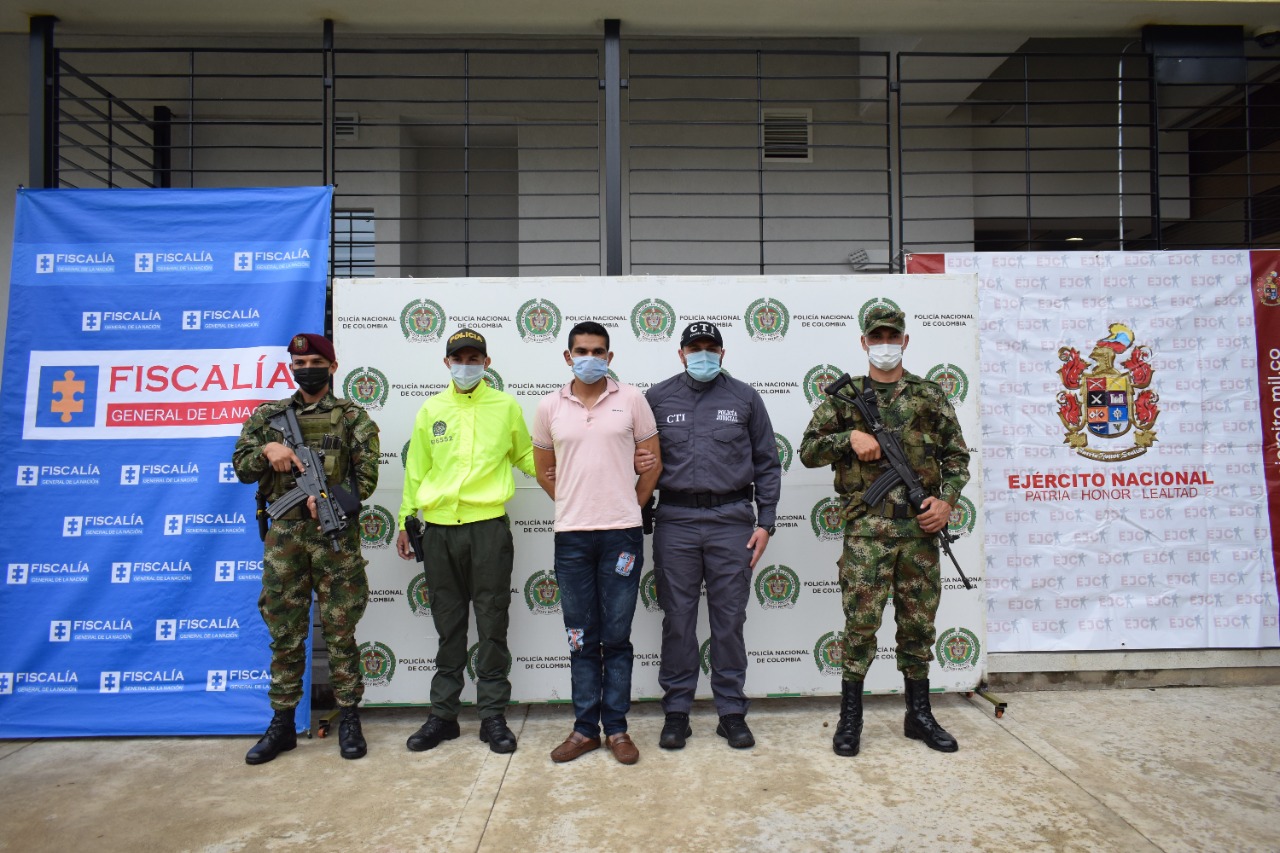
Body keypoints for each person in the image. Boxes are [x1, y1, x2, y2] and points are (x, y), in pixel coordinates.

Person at [799, 304, 970, 756]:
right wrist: (847, 440)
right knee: (860, 627)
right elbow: (808, 451)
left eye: (892, 336)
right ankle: (850, 719)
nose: (885, 345)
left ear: (905, 341)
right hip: (866, 534)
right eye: (876, 338)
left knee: (917, 629)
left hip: (919, 532)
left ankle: (919, 715)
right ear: (863, 343)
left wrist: (946, 500)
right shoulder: (845, 397)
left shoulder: (929, 395)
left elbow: (957, 458)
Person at [233, 333, 380, 764]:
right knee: (285, 632)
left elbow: (366, 480)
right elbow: (241, 468)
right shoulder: (268, 416)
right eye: (299, 362)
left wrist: (331, 499)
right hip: (285, 538)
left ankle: (349, 716)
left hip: (335, 538)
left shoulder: (353, 416)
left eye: (316, 360)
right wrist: (266, 449)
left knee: (340, 631)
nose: (306, 367)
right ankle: (282, 722)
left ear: (332, 367)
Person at [396, 328, 535, 755]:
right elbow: (416, 468)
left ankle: (492, 714)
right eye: (459, 358)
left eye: (475, 358)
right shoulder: (431, 409)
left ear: (486, 364)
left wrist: (569, 470)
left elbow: (527, 457)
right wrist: (406, 519)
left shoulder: (505, 406)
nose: (467, 365)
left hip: (488, 527)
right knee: (448, 624)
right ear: (447, 363)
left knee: (493, 622)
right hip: (438, 530)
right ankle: (443, 716)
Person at [645, 321, 781, 750]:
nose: (702, 353)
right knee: (678, 620)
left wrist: (766, 522)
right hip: (676, 520)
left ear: (723, 353)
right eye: (694, 347)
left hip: (731, 520)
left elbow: (767, 462)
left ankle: (731, 712)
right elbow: (638, 460)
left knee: (729, 620)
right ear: (681, 352)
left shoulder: (745, 398)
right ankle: (677, 711)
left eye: (711, 347)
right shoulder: (656, 399)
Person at [532, 321, 662, 765]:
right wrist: (573, 504)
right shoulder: (550, 406)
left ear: (610, 357)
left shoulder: (631, 400)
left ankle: (619, 729)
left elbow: (653, 462)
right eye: (582, 350)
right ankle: (586, 729)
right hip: (571, 538)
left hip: (621, 536)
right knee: (579, 636)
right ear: (568, 356)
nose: (591, 357)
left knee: (617, 636)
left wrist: (630, 505)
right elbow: (544, 470)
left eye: (599, 351)